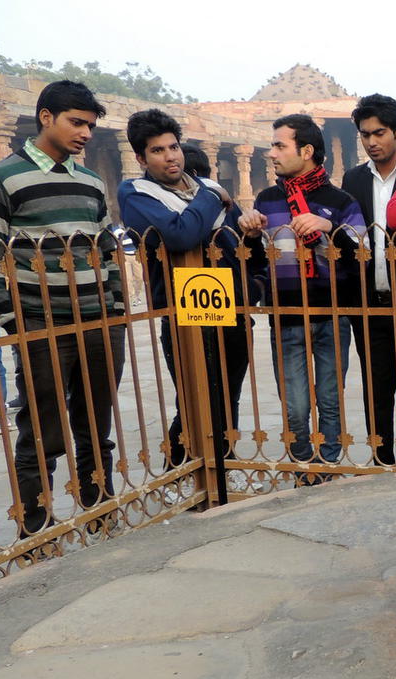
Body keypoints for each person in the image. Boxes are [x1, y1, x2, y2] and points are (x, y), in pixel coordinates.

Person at [0, 80, 125, 534]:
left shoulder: (89, 181)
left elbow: (106, 250)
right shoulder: (4, 177)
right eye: (76, 122)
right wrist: (14, 319)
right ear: (45, 117)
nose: (85, 133)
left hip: (99, 322)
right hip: (41, 325)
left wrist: (117, 309)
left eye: (90, 125)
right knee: (41, 432)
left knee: (94, 426)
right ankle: (38, 528)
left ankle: (99, 513)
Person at [118, 109, 266, 466]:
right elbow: (180, 235)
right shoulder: (136, 193)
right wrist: (213, 192)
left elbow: (239, 248)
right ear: (141, 158)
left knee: (228, 397)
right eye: (157, 150)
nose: (170, 156)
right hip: (183, 313)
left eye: (173, 147)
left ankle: (221, 468)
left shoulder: (204, 190)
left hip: (229, 308)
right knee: (195, 399)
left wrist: (250, 232)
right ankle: (182, 468)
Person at [238, 114, 366, 478]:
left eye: (280, 145)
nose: (272, 153)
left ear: (306, 150)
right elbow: (257, 261)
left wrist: (331, 226)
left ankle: (325, 470)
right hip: (288, 316)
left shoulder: (339, 200)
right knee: (294, 406)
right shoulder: (267, 199)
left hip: (332, 315)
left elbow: (365, 251)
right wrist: (248, 233)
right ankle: (302, 467)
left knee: (330, 400)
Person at [342, 94, 396, 466]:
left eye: (380, 132)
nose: (372, 141)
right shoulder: (353, 179)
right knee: (376, 384)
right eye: (365, 134)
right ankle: (381, 456)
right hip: (371, 301)